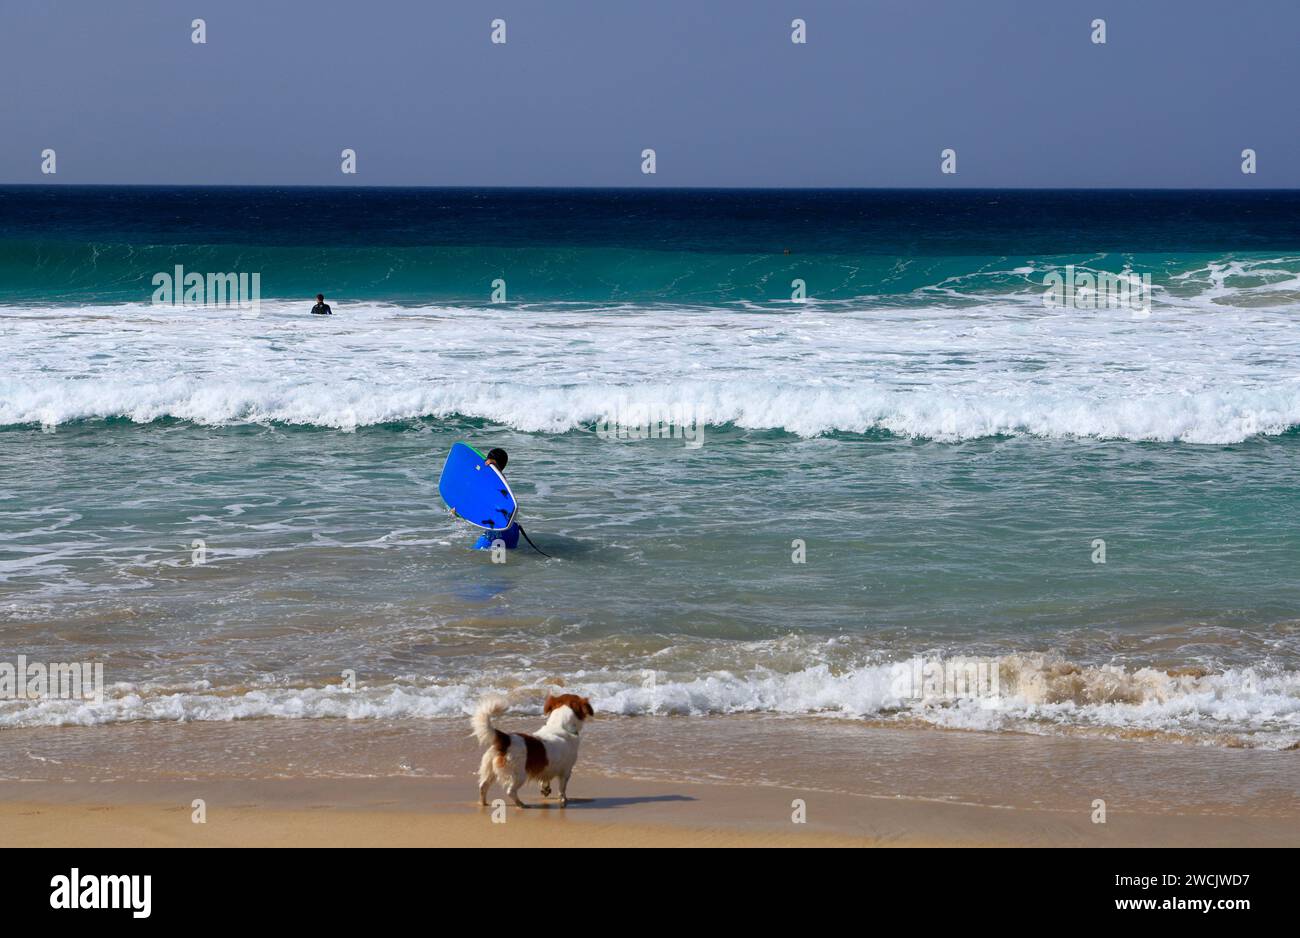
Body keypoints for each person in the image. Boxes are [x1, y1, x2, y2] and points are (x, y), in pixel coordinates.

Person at [473, 448, 521, 550]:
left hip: (498, 532)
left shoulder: (497, 481)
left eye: (489, 461)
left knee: (476, 555)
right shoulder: (500, 484)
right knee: (505, 561)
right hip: (512, 529)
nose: (486, 463)